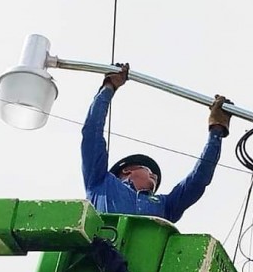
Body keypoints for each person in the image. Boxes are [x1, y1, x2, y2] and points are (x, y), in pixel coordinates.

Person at [81, 64, 232, 224]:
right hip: (102, 247)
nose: (155, 175)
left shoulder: (165, 205)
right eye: (149, 170)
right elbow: (92, 133)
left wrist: (216, 130)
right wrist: (108, 88)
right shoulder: (101, 183)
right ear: (126, 170)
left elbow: (198, 180)